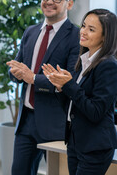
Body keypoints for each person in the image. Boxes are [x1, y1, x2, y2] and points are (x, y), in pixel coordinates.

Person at [6, 0, 80, 175]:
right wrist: (14, 72)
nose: (49, 1)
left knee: (59, 172)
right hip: (26, 121)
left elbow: (70, 79)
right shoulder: (30, 32)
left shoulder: (76, 37)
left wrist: (32, 78)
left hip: (55, 122)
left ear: (69, 4)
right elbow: (18, 68)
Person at [42, 9, 117, 175]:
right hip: (76, 142)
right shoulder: (83, 61)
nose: (83, 31)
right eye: (83, 26)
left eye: (91, 29)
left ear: (105, 36)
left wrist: (69, 85)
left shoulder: (108, 65)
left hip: (95, 146)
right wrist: (61, 88)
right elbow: (72, 107)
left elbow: (96, 111)